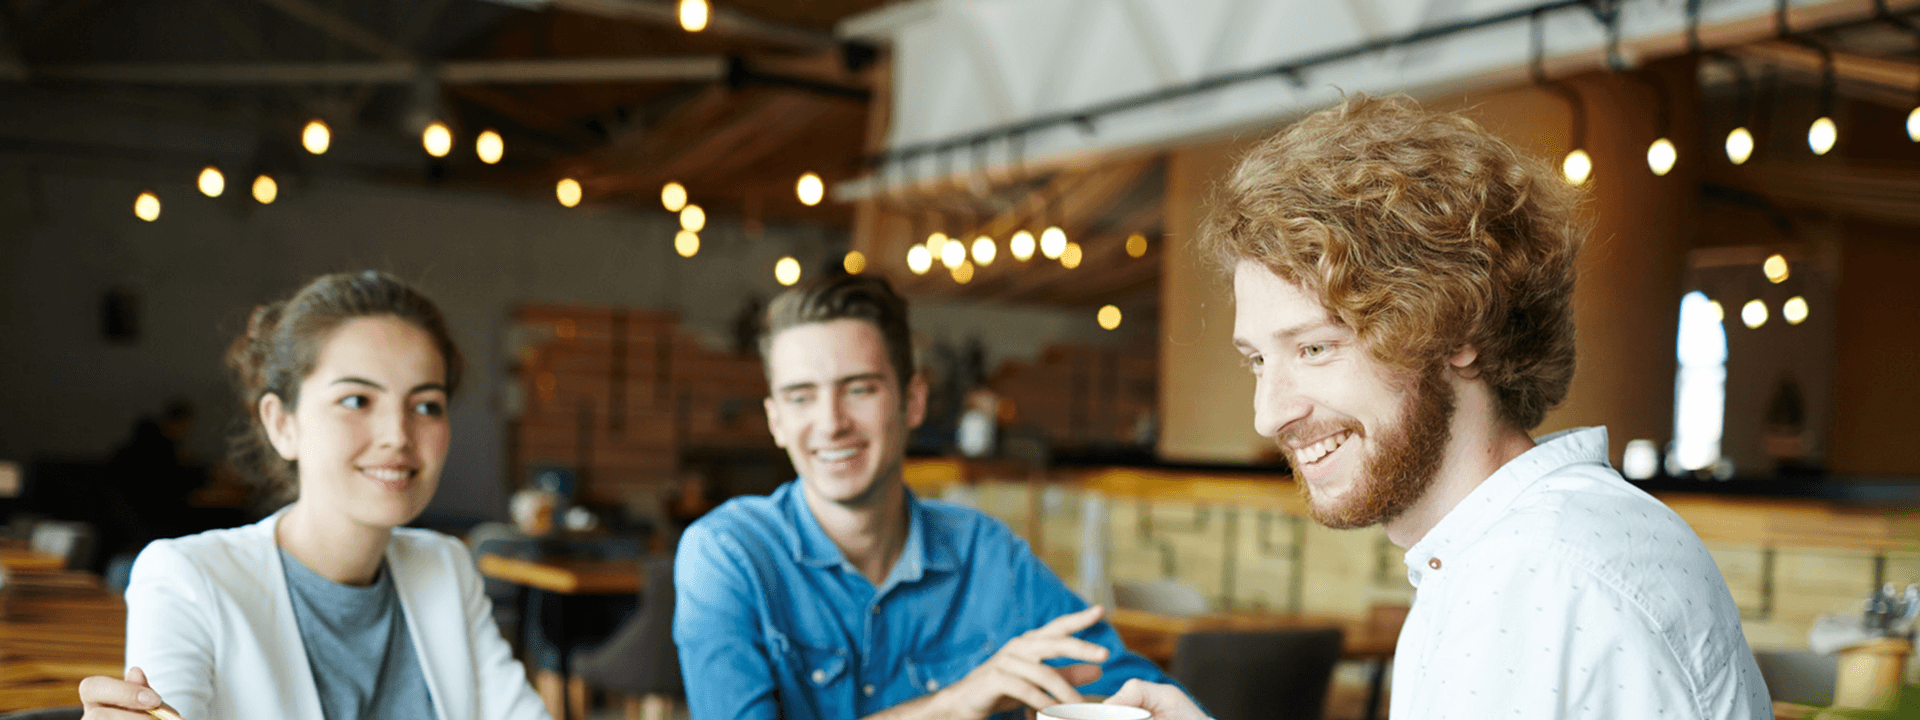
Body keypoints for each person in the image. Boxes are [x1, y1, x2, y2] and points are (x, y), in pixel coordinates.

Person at [1106, 95, 1770, 719]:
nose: (1268, 415)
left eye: (1313, 348)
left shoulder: (1530, 578)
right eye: (1258, 359)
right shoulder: (1535, 542)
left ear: (1455, 332)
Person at [673, 275, 1179, 720]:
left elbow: (1138, 697)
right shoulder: (727, 555)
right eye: (801, 396)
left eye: (859, 389)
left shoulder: (986, 555)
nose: (830, 423)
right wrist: (955, 705)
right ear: (776, 420)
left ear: (913, 401)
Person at [79, 271, 549, 720]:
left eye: (426, 406)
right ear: (282, 424)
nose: (397, 435)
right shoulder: (187, 579)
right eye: (356, 400)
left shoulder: (446, 567)